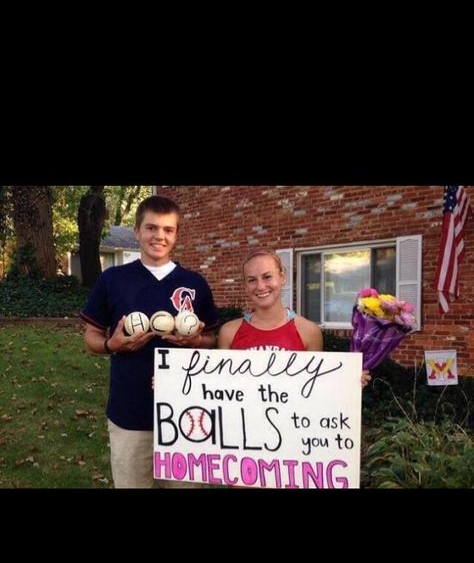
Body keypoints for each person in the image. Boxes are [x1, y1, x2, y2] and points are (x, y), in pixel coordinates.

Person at [80, 194, 219, 489]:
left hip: (187, 414)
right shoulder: (113, 280)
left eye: (168, 230)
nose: (160, 236)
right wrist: (111, 345)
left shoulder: (195, 283)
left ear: (177, 234)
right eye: (152, 228)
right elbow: (91, 337)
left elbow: (213, 339)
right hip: (130, 412)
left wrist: (196, 342)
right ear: (137, 231)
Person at [218, 248, 371, 388]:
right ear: (245, 286)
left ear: (282, 277)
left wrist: (349, 382)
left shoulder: (309, 332)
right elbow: (221, 389)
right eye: (252, 280)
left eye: (267, 277)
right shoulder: (229, 332)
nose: (260, 286)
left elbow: (316, 387)